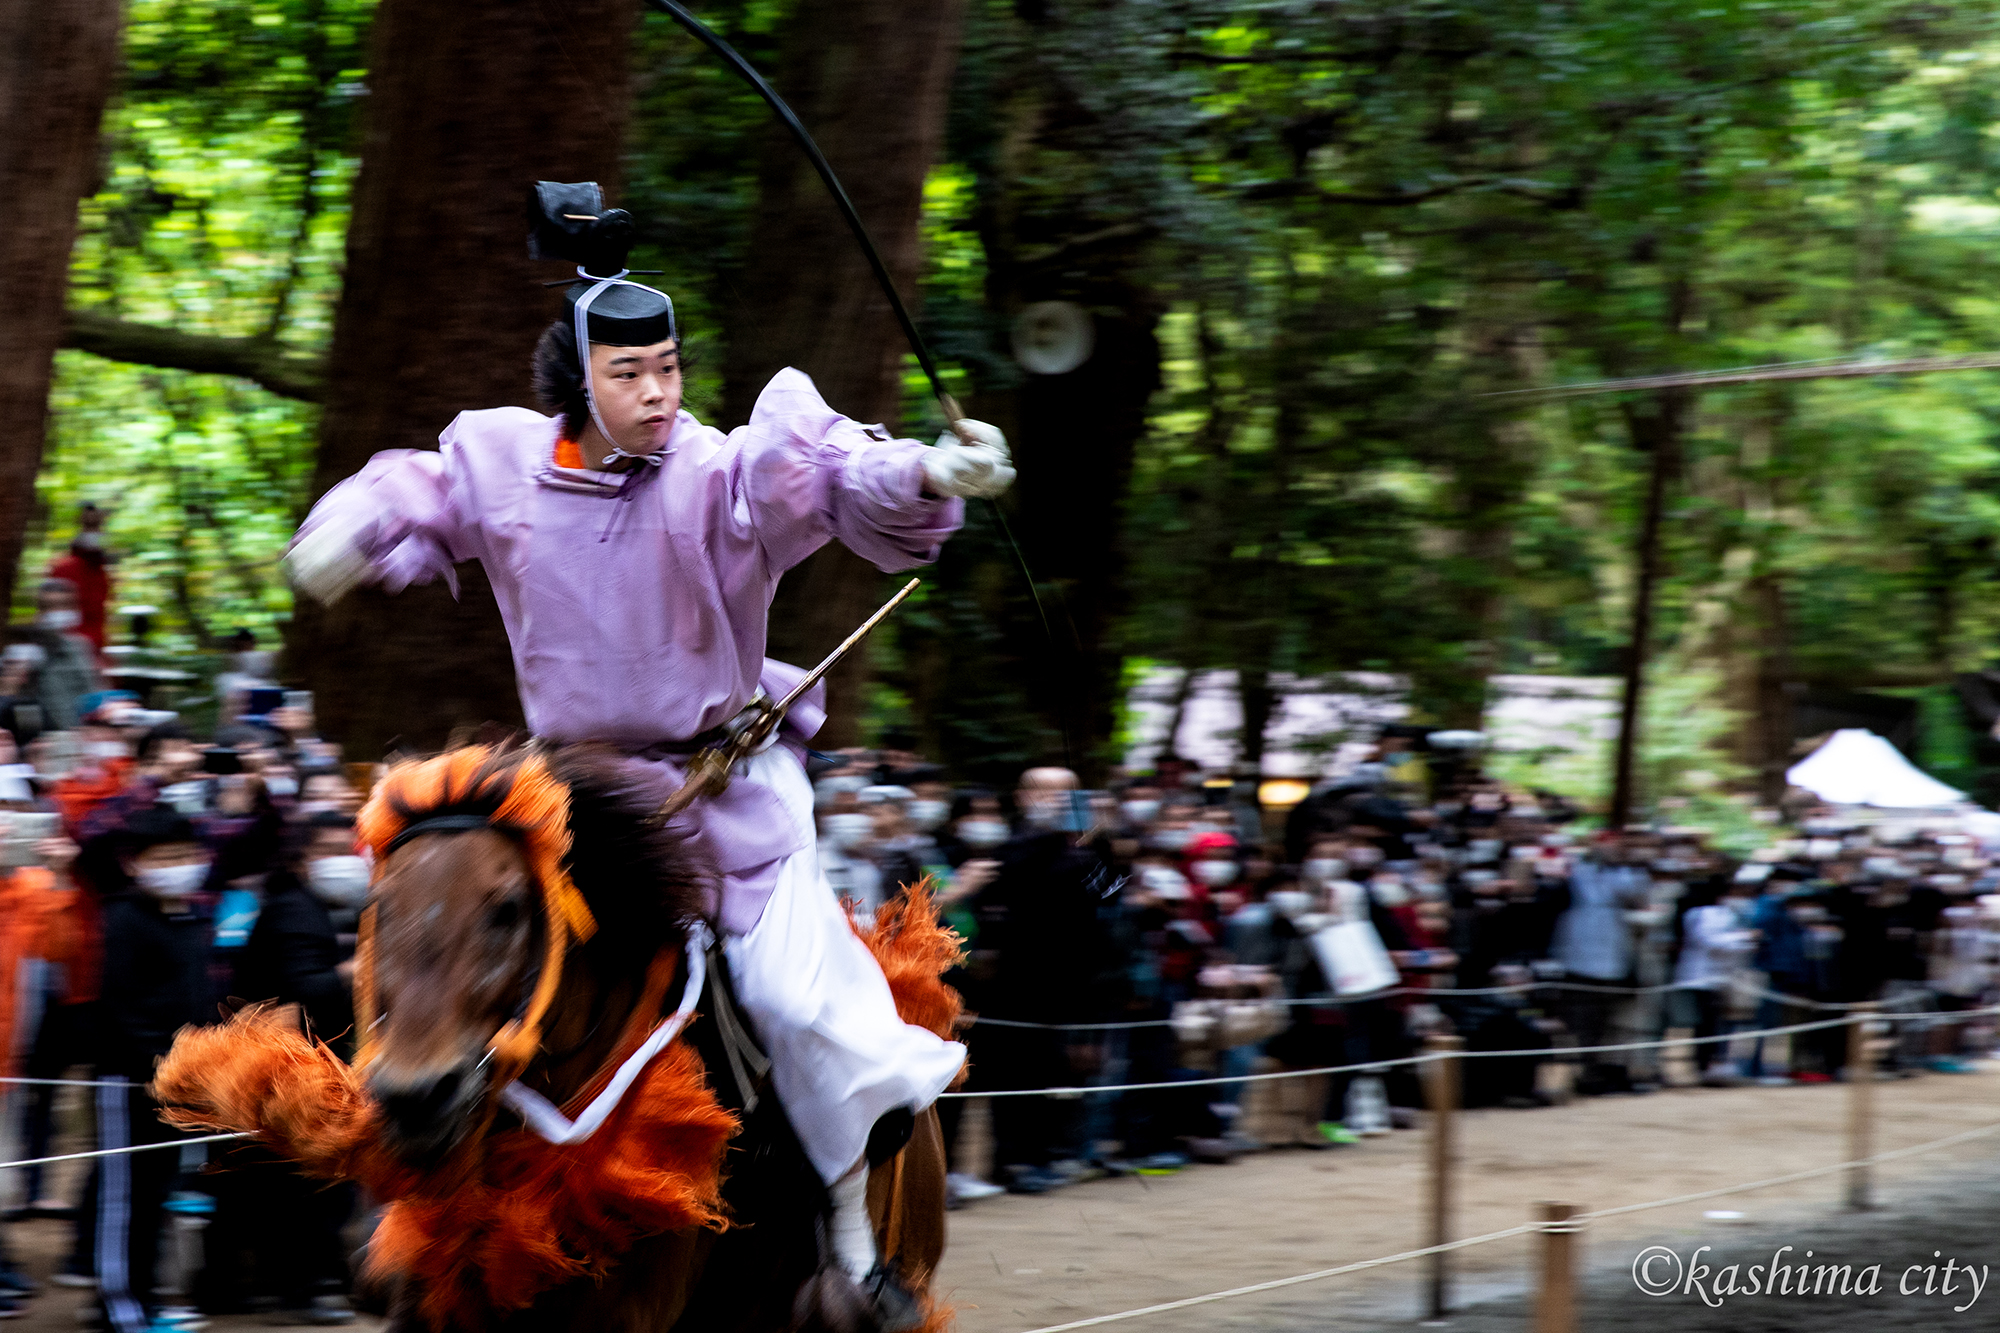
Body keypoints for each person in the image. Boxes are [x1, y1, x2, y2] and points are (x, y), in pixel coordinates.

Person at [283, 183, 1013, 1291]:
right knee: (439, 947)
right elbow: (410, 491)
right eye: (630, 373)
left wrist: (922, 471)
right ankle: (413, 1216)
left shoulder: (725, 473)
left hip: (726, 796)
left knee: (787, 998)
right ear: (577, 380)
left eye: (668, 366)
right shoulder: (500, 461)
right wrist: (343, 530)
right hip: (569, 800)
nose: (658, 390)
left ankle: (851, 1241)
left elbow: (831, 477)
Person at [90, 807, 219, 1333]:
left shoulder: (190, 917)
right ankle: (119, 1307)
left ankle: (146, 1298)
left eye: (185, 856)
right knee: (125, 1200)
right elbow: (123, 1010)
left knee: (158, 1196)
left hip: (180, 1083)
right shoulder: (124, 920)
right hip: (130, 1082)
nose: (178, 866)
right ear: (133, 864)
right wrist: (161, 1067)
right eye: (163, 859)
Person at [47, 504, 114, 655]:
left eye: (95, 526)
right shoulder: (62, 568)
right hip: (66, 651)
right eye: (88, 526)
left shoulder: (102, 574)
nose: (93, 533)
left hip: (92, 649)